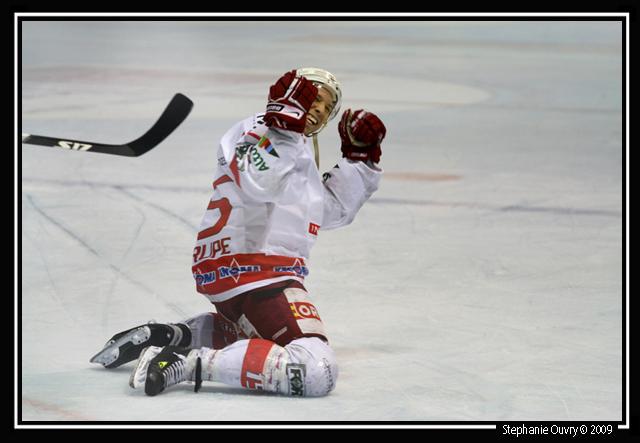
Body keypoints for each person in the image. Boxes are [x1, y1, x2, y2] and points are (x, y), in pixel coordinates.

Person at [90, 67, 387, 397]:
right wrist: (284, 122)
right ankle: (185, 361)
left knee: (262, 346)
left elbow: (325, 211)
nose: (320, 108)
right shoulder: (262, 126)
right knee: (316, 370)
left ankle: (179, 335)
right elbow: (257, 181)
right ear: (295, 96)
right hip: (259, 271)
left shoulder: (292, 144)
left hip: (239, 272)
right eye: (315, 98)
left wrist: (359, 162)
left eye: (328, 107)